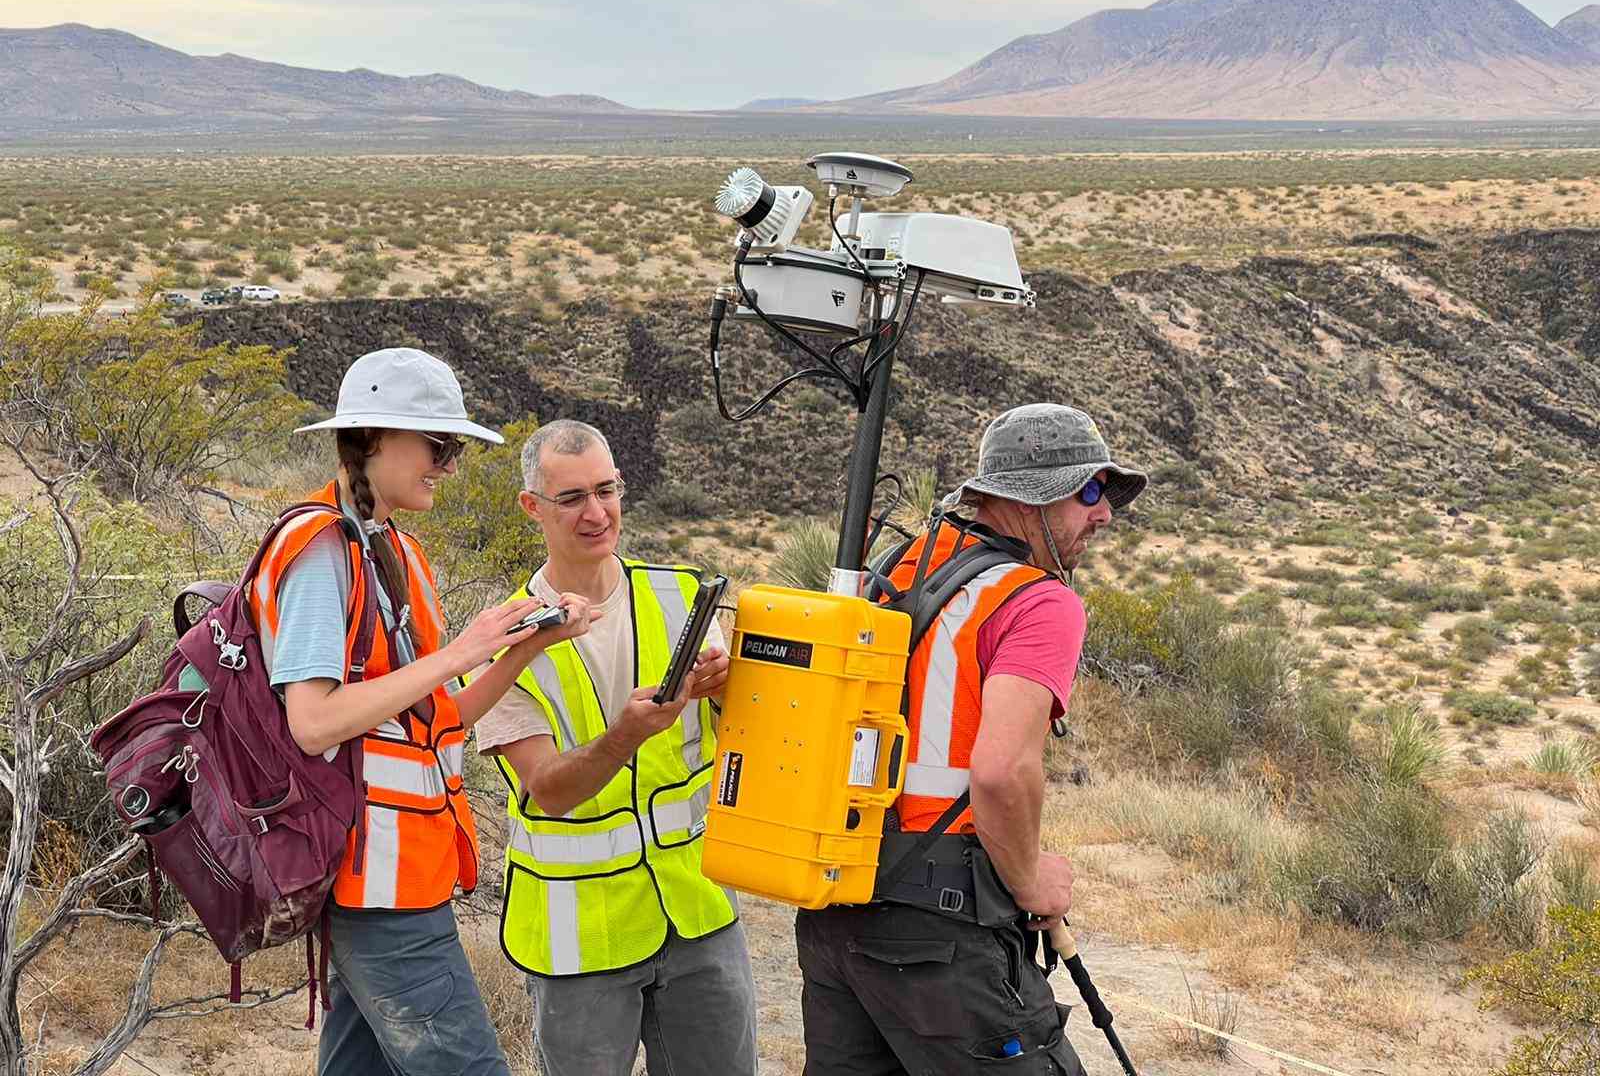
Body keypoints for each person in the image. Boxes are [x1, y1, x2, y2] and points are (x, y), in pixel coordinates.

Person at [264, 347, 598, 1076]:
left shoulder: (396, 553)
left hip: (405, 871)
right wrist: (460, 650)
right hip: (372, 883)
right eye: (437, 445)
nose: (448, 465)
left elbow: (436, 723)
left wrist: (523, 645)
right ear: (373, 440)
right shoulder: (320, 549)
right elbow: (313, 722)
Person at [795, 402, 1148, 1075]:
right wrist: (1030, 881)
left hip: (837, 913)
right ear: (1030, 498)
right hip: (941, 934)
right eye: (1090, 491)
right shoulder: (1040, 600)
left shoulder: (900, 569)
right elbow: (1001, 773)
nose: (1104, 514)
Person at [472, 419, 758, 1076]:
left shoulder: (680, 595)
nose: (596, 513)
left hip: (698, 914)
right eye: (572, 497)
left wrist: (726, 692)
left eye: (607, 490)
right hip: (582, 943)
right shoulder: (503, 640)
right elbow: (547, 789)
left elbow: (743, 737)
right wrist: (627, 734)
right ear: (532, 508)